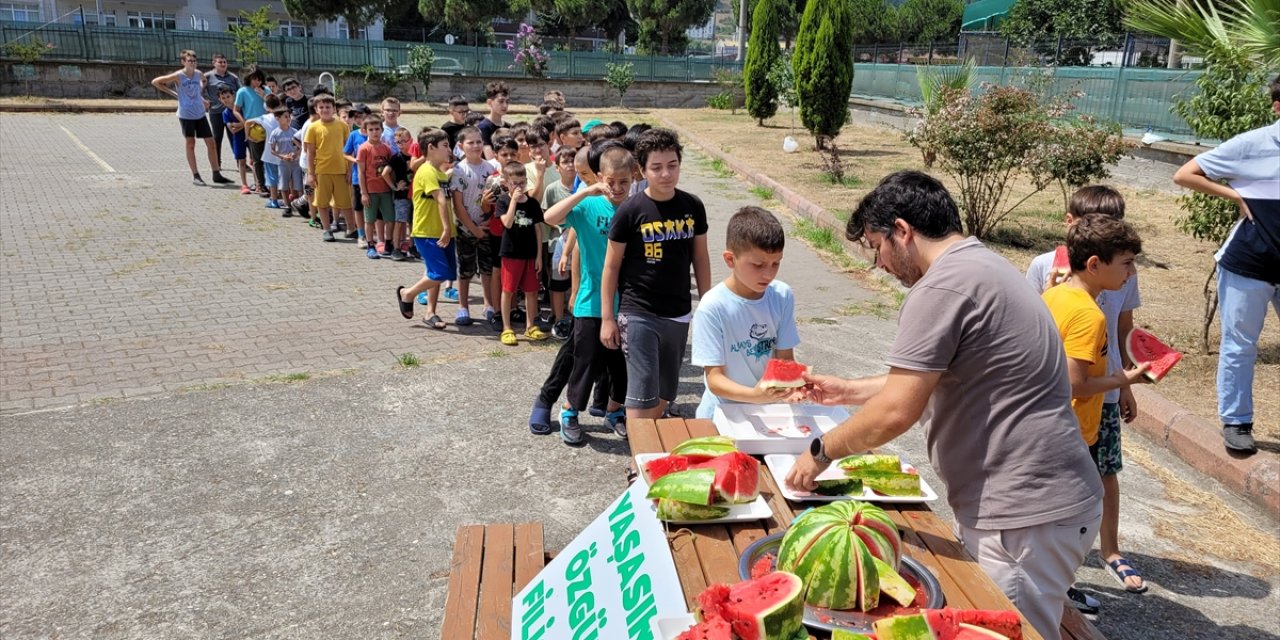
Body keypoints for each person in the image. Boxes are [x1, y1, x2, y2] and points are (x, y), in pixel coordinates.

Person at [785, 171, 1104, 640]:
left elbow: (898, 410)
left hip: (1023, 516)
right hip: (1047, 505)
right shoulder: (982, 265)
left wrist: (820, 452)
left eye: (878, 246)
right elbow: (940, 378)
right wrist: (847, 390)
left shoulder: (940, 287)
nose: (880, 263)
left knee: (1013, 632)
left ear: (902, 231)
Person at [1026, 186, 1149, 602]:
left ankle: (1047, 582)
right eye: (1127, 264)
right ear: (1096, 263)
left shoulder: (1058, 293)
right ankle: (1056, 589)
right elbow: (1075, 382)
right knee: (1075, 511)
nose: (1131, 273)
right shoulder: (1088, 312)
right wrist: (1125, 380)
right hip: (1070, 428)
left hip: (1048, 421)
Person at [1172, 75, 1280, 455]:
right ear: (1278, 108)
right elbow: (1185, 174)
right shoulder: (1252, 144)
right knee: (1240, 346)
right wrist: (1233, 193)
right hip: (1248, 263)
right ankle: (1237, 421)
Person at [600, 128, 711, 422]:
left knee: (665, 391)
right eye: (657, 167)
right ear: (642, 170)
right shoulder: (630, 210)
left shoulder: (693, 206)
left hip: (678, 312)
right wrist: (607, 319)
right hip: (638, 312)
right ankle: (638, 461)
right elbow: (611, 266)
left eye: (672, 166)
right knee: (641, 390)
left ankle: (650, 446)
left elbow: (700, 257)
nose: (665, 174)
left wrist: (708, 306)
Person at [542, 142, 634, 445]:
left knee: (620, 366)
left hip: (629, 304)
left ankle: (614, 411)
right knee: (585, 362)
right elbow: (550, 218)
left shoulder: (638, 209)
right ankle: (569, 411)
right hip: (591, 302)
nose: (618, 188)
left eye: (624, 182)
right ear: (599, 177)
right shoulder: (588, 206)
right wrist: (583, 191)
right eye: (611, 181)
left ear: (634, 177)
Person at [691, 206, 800, 419]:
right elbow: (714, 379)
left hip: (767, 412)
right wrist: (755, 395)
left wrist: (793, 385)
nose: (768, 274)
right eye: (758, 265)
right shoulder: (713, 306)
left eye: (776, 263)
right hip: (722, 415)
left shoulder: (782, 295)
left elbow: (785, 359)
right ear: (730, 259)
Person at [396, 128, 455, 331]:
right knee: (439, 273)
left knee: (436, 274)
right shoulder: (427, 171)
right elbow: (440, 199)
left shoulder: (440, 172)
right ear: (431, 148)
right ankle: (408, 293)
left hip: (442, 232)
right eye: (445, 145)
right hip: (428, 232)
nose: (449, 149)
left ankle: (430, 312)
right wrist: (447, 229)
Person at [150, 49, 229, 186]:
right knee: (191, 143)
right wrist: (175, 94)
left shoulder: (198, 74)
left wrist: (200, 96)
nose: (192, 63)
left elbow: (204, 81)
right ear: (183, 62)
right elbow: (156, 82)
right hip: (186, 114)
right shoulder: (178, 75)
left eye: (194, 60)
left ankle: (216, 173)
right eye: (189, 61)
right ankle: (196, 175)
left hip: (200, 113)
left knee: (211, 143)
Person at [495, 162, 550, 346]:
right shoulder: (503, 201)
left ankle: (530, 326)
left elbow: (538, 230)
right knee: (508, 291)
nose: (519, 187)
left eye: (522, 183)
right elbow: (507, 223)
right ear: (507, 183)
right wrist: (513, 201)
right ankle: (507, 328)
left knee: (532, 291)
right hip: (511, 254)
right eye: (514, 183)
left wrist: (539, 257)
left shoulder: (533, 203)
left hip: (530, 255)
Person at [449, 126, 499, 327]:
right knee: (465, 269)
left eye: (479, 141)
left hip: (486, 226)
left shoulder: (490, 169)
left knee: (486, 268)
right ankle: (463, 307)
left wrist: (487, 220)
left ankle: (488, 304)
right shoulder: (458, 171)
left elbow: (494, 198)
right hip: (465, 228)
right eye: (471, 142)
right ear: (461, 146)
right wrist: (473, 228)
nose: (476, 146)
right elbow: (458, 205)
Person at [303, 94, 356, 243]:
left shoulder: (342, 126)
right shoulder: (313, 128)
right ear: (316, 109)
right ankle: (327, 229)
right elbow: (310, 153)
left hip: (341, 170)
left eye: (328, 107)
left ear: (334, 109)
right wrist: (311, 174)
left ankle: (351, 229)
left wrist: (349, 169)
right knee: (322, 203)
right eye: (321, 107)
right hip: (322, 171)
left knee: (345, 203)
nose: (325, 110)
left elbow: (349, 150)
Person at [357, 114, 396, 259]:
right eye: (371, 129)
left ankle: (388, 243)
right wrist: (364, 193)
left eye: (377, 129)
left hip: (385, 190)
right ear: (365, 131)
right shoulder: (364, 148)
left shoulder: (386, 148)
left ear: (382, 130)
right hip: (370, 191)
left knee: (390, 218)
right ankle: (370, 245)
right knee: (369, 220)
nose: (375, 132)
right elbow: (361, 172)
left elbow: (391, 168)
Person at [234, 67, 270, 195]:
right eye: (254, 79)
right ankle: (260, 185)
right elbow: (236, 109)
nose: (257, 82)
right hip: (253, 127)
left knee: (269, 157)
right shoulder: (242, 91)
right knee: (257, 158)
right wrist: (245, 123)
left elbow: (272, 106)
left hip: (267, 126)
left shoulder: (266, 90)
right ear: (249, 78)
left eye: (259, 79)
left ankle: (269, 183)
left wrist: (264, 96)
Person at [381, 127, 415, 261]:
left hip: (414, 194)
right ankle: (396, 248)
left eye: (403, 141)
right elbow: (385, 173)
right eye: (397, 142)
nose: (400, 145)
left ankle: (412, 247)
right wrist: (394, 187)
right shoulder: (396, 157)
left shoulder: (415, 156)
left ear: (411, 141)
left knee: (413, 222)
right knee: (399, 222)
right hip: (402, 195)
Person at [203, 53, 239, 167]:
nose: (223, 64)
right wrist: (204, 101)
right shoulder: (207, 77)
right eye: (220, 62)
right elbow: (198, 90)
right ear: (214, 63)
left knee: (234, 137)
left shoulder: (233, 78)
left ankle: (240, 162)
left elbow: (241, 92)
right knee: (217, 138)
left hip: (231, 112)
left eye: (224, 62)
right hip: (216, 112)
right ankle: (217, 163)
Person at [269, 109, 302, 218]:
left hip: (296, 163)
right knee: (284, 185)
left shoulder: (294, 131)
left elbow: (301, 147)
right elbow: (272, 150)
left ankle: (302, 205)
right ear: (278, 119)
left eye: (289, 117)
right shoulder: (275, 133)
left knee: (298, 185)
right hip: (283, 163)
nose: (288, 119)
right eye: (285, 117)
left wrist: (296, 154)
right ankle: (287, 207)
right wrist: (282, 156)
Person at [217, 86, 249, 192]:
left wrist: (237, 124)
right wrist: (244, 124)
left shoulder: (243, 107)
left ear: (233, 96)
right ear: (220, 100)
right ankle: (244, 184)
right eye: (223, 98)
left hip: (251, 136)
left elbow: (250, 121)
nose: (226, 99)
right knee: (242, 161)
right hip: (238, 138)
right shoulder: (225, 113)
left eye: (228, 96)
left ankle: (259, 183)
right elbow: (233, 130)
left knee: (255, 160)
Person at [254, 96, 283, 209]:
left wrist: (248, 135)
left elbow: (248, 122)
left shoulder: (265, 117)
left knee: (272, 178)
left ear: (266, 106)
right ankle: (287, 199)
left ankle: (274, 200)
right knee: (284, 177)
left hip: (270, 153)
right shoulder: (285, 115)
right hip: (285, 152)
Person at [478, 81, 510, 158]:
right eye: (501, 101)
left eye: (507, 102)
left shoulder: (509, 127)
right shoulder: (483, 127)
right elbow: (489, 158)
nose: (505, 105)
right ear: (489, 102)